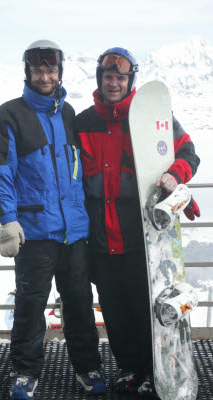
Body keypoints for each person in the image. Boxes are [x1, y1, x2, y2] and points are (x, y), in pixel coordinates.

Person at [75, 47, 200, 397]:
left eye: (121, 77)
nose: (114, 83)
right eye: (108, 77)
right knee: (114, 310)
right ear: (100, 80)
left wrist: (176, 174)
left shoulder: (150, 118)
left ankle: (153, 368)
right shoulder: (84, 123)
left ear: (130, 81)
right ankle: (131, 369)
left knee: (145, 308)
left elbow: (188, 152)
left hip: (141, 238)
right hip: (101, 237)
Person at [0, 40, 106, 400]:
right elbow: (1, 173)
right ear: (28, 72)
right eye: (37, 70)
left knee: (80, 303)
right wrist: (8, 219)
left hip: (73, 232)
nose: (44, 76)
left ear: (59, 72)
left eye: (50, 70)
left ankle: (87, 367)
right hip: (34, 233)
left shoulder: (69, 114)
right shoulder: (10, 115)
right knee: (30, 305)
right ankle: (25, 372)